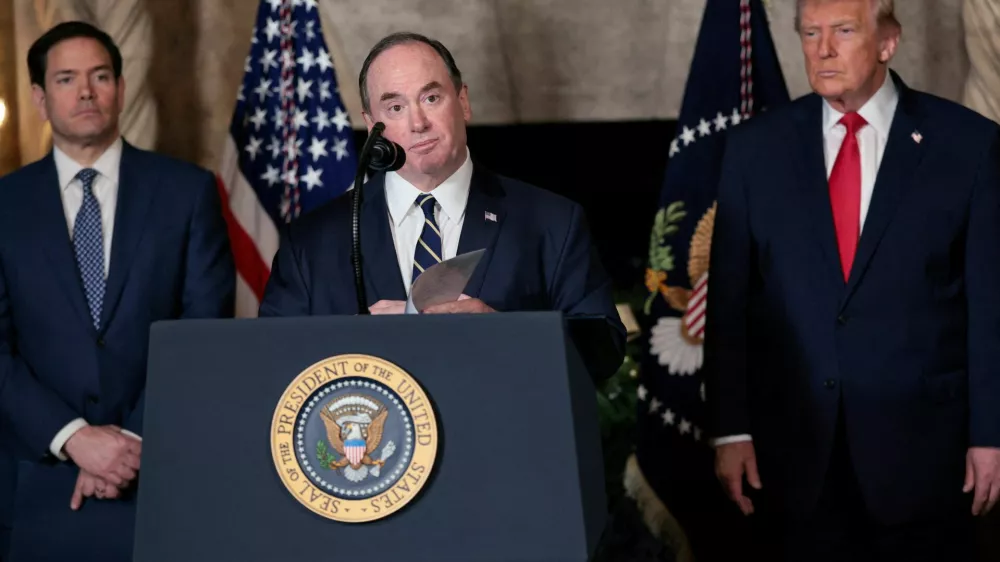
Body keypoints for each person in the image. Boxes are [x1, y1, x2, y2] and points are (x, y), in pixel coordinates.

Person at [705, 0, 1000, 560]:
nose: (823, 49)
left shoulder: (968, 145)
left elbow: (990, 309)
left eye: (843, 31)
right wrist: (730, 430)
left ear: (888, 41)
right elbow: (729, 306)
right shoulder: (755, 150)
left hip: (924, 458)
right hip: (790, 458)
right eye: (810, 33)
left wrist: (992, 434)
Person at [0, 21, 234, 561]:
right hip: (35, 477)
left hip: (162, 470)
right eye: (66, 79)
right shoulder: (3, 207)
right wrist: (75, 437)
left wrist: (130, 445)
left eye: (100, 75)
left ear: (122, 88)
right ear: (39, 97)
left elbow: (203, 334)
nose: (86, 91)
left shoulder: (187, 192)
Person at [259, 32, 624, 374]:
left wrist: (505, 333)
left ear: (462, 102)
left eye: (431, 98)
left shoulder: (552, 222)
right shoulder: (312, 242)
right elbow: (272, 361)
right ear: (373, 126)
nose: (418, 122)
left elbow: (604, 351)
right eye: (395, 107)